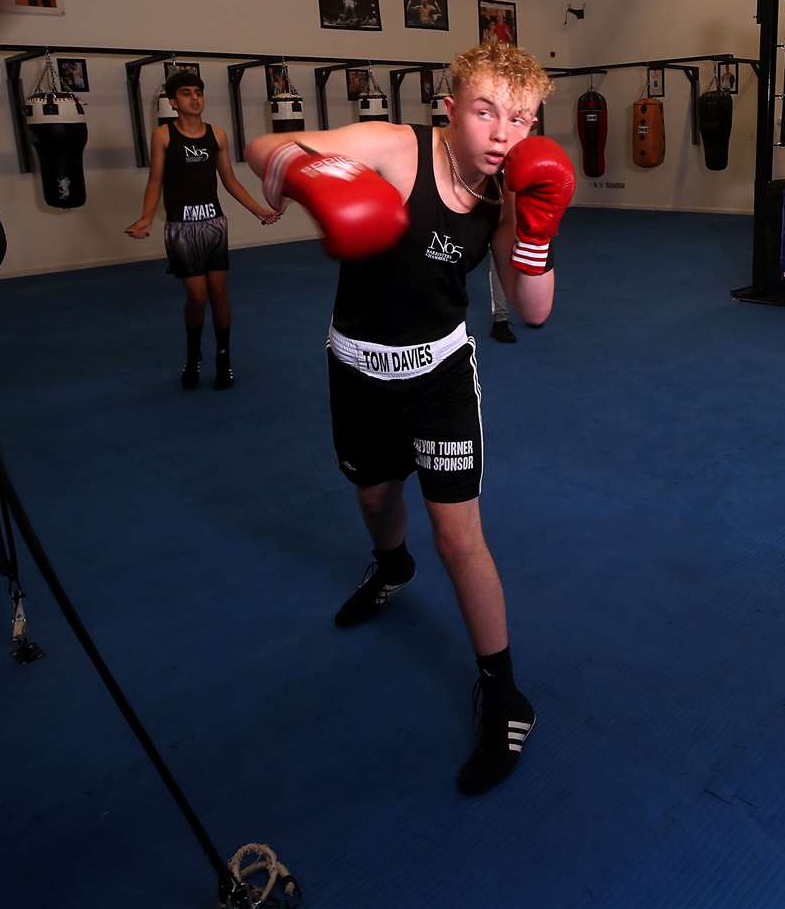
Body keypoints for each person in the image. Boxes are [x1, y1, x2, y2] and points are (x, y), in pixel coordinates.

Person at [243, 40, 573, 794]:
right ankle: (391, 567)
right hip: (357, 365)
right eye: (487, 111)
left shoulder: (510, 193)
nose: (502, 135)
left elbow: (536, 312)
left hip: (440, 374)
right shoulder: (394, 149)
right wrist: (311, 175)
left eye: (521, 120)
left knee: (460, 534)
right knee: (374, 495)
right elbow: (264, 144)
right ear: (450, 107)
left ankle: (504, 690)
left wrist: (536, 232)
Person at [126, 70, 279, 389]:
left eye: (198, 92)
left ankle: (224, 359)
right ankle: (194, 357)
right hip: (182, 227)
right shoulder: (164, 136)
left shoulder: (218, 135)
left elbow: (230, 180)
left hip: (214, 225)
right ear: (173, 101)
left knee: (219, 293)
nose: (194, 98)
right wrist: (145, 217)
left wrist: (259, 211)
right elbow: (155, 180)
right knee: (197, 297)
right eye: (186, 93)